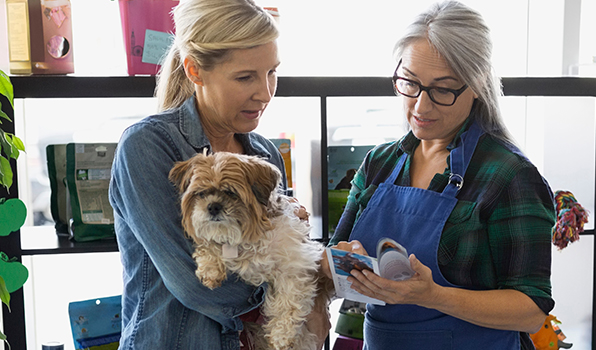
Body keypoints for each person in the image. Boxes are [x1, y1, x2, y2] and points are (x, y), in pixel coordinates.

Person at [325, 1, 555, 349]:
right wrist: (347, 262)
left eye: (443, 89)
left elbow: (531, 309)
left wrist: (433, 295)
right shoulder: (380, 163)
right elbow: (331, 261)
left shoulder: (509, 176)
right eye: (410, 83)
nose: (420, 106)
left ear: (477, 84)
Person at [108, 1, 329, 349]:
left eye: (272, 72)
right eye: (245, 77)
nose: (266, 92)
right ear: (195, 71)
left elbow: (280, 251)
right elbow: (194, 284)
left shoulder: (264, 155)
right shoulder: (148, 147)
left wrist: (309, 284)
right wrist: (295, 288)